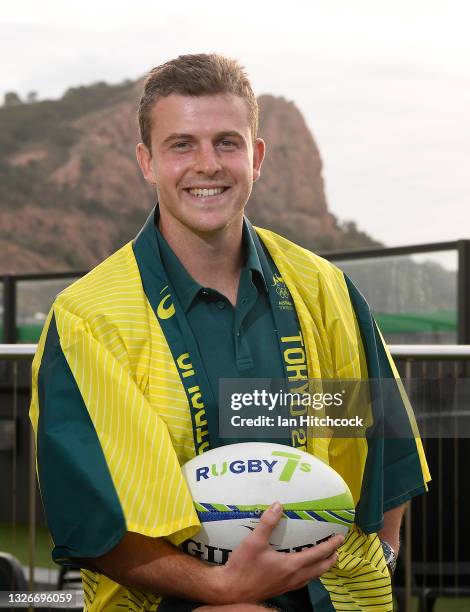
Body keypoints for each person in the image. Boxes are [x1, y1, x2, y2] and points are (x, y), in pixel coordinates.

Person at [30, 54, 430, 611]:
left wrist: (382, 558)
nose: (207, 164)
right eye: (181, 145)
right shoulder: (89, 318)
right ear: (147, 162)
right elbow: (90, 520)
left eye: (226, 142)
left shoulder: (325, 290)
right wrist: (222, 591)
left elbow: (383, 451)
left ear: (256, 156)